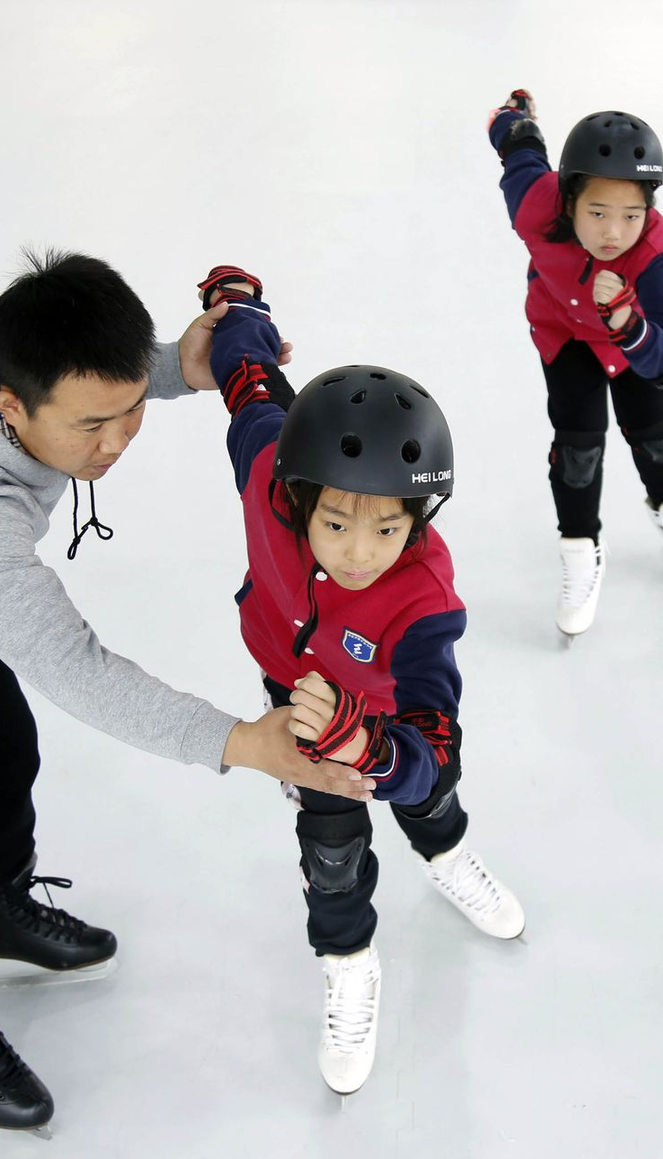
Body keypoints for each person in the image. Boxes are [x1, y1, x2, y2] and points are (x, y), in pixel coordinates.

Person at [0, 251, 374, 1135]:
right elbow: (72, 665)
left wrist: (175, 367)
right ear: (10, 407)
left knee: (5, 750)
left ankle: (0, 907)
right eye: (92, 425)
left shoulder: (1, 335)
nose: (117, 441)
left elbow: (98, 373)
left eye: (130, 411)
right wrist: (241, 740)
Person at [198, 264, 525, 1095]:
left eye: (388, 528)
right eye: (337, 521)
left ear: (418, 519)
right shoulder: (266, 465)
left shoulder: (424, 602)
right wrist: (238, 305)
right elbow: (248, 379)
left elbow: (435, 747)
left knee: (428, 797)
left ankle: (446, 852)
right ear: (298, 496)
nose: (357, 551)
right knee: (331, 843)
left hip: (383, 719)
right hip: (290, 682)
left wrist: (369, 744)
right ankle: (348, 962)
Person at [488, 90, 663, 637]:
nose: (613, 232)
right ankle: (580, 549)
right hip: (563, 334)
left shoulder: (655, 253)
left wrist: (630, 326)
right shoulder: (534, 203)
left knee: (654, 432)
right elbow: (520, 151)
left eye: (631, 215)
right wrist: (513, 118)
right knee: (578, 450)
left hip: (632, 342)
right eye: (597, 212)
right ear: (568, 200)